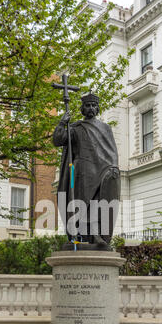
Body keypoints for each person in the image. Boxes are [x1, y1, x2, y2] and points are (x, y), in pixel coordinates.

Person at [53, 93, 120, 249]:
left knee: (98, 204)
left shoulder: (106, 128)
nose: (91, 108)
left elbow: (112, 151)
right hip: (82, 173)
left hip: (102, 172)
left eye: (93, 105)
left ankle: (97, 235)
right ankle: (77, 235)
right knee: (81, 205)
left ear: (97, 109)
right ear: (83, 109)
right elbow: (58, 140)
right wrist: (62, 123)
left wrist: (114, 168)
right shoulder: (76, 127)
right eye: (88, 105)